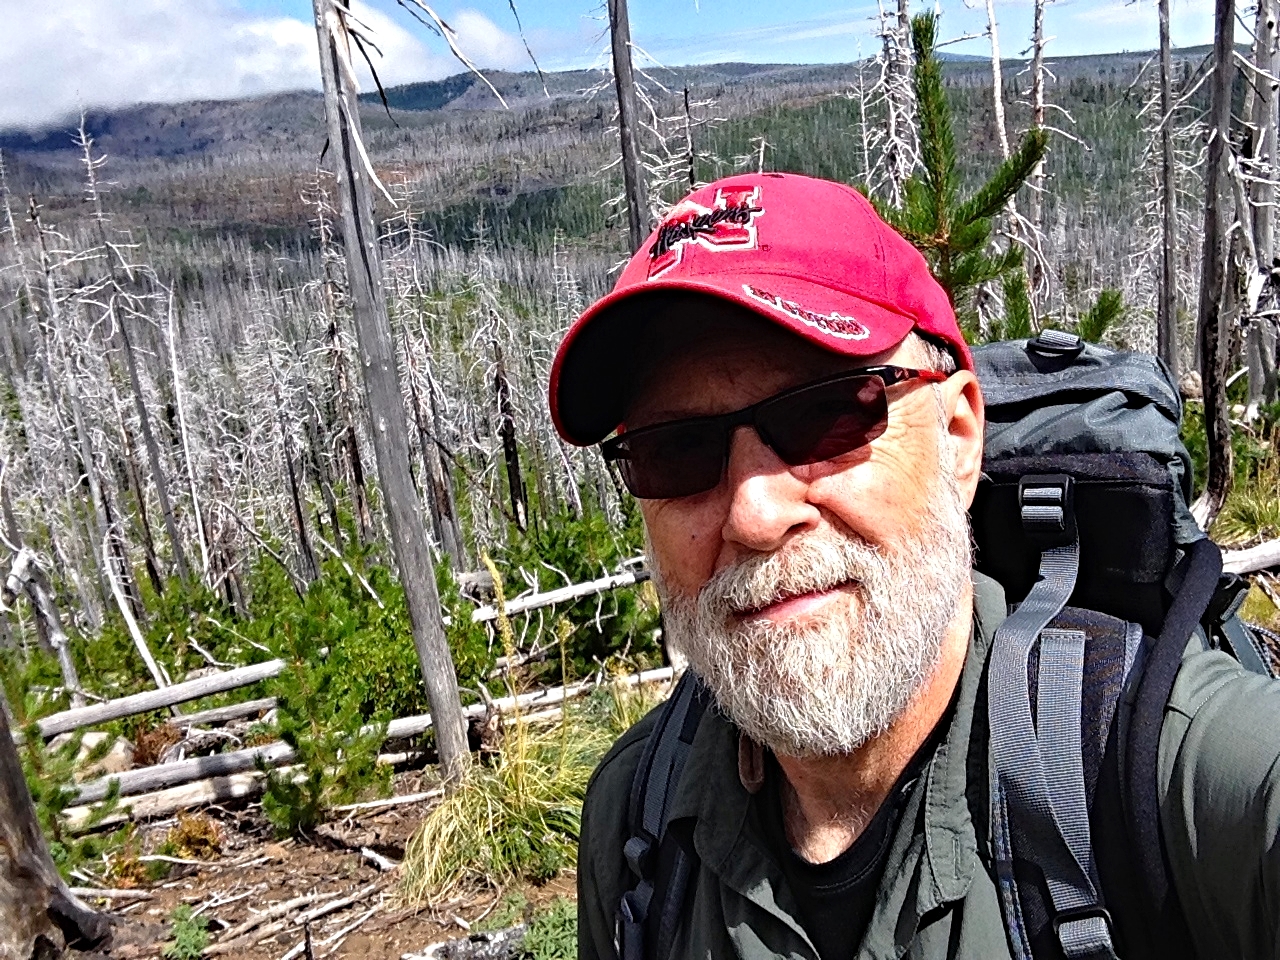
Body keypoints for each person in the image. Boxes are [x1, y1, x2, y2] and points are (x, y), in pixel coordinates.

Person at [547, 172, 1280, 960]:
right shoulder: (636, 827)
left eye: (825, 415)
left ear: (959, 438)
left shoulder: (1176, 773)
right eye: (675, 450)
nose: (755, 516)